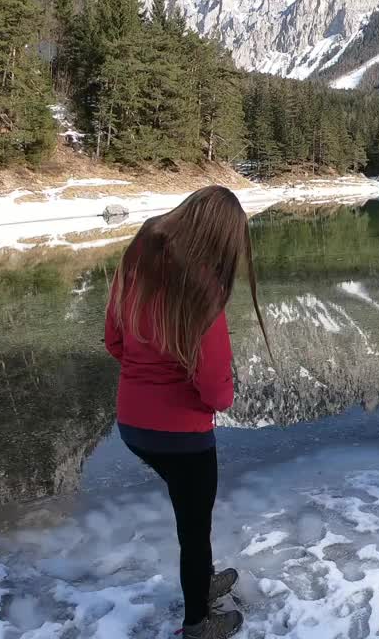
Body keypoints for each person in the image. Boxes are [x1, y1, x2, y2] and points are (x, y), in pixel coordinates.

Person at [104, 186, 271, 639]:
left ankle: (203, 577)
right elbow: (216, 393)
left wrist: (149, 376)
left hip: (132, 426)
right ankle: (198, 621)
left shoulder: (135, 268)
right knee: (193, 530)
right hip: (183, 437)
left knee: (190, 518)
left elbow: (114, 342)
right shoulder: (203, 296)